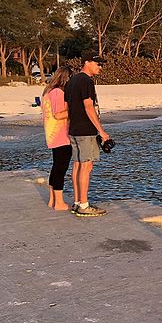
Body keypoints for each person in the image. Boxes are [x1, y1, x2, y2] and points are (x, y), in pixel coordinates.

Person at [65, 52, 110, 217]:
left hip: (74, 130)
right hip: (85, 130)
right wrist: (102, 131)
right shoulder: (86, 81)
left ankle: (77, 202)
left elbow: (68, 107)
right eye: (97, 64)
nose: (100, 67)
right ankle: (84, 205)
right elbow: (88, 107)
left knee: (77, 164)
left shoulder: (72, 81)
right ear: (87, 63)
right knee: (86, 166)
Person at [41, 66, 74, 210]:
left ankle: (53, 199)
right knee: (61, 168)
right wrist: (75, 111)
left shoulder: (48, 92)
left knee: (56, 167)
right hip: (60, 135)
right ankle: (59, 202)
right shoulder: (58, 93)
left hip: (52, 135)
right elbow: (59, 114)